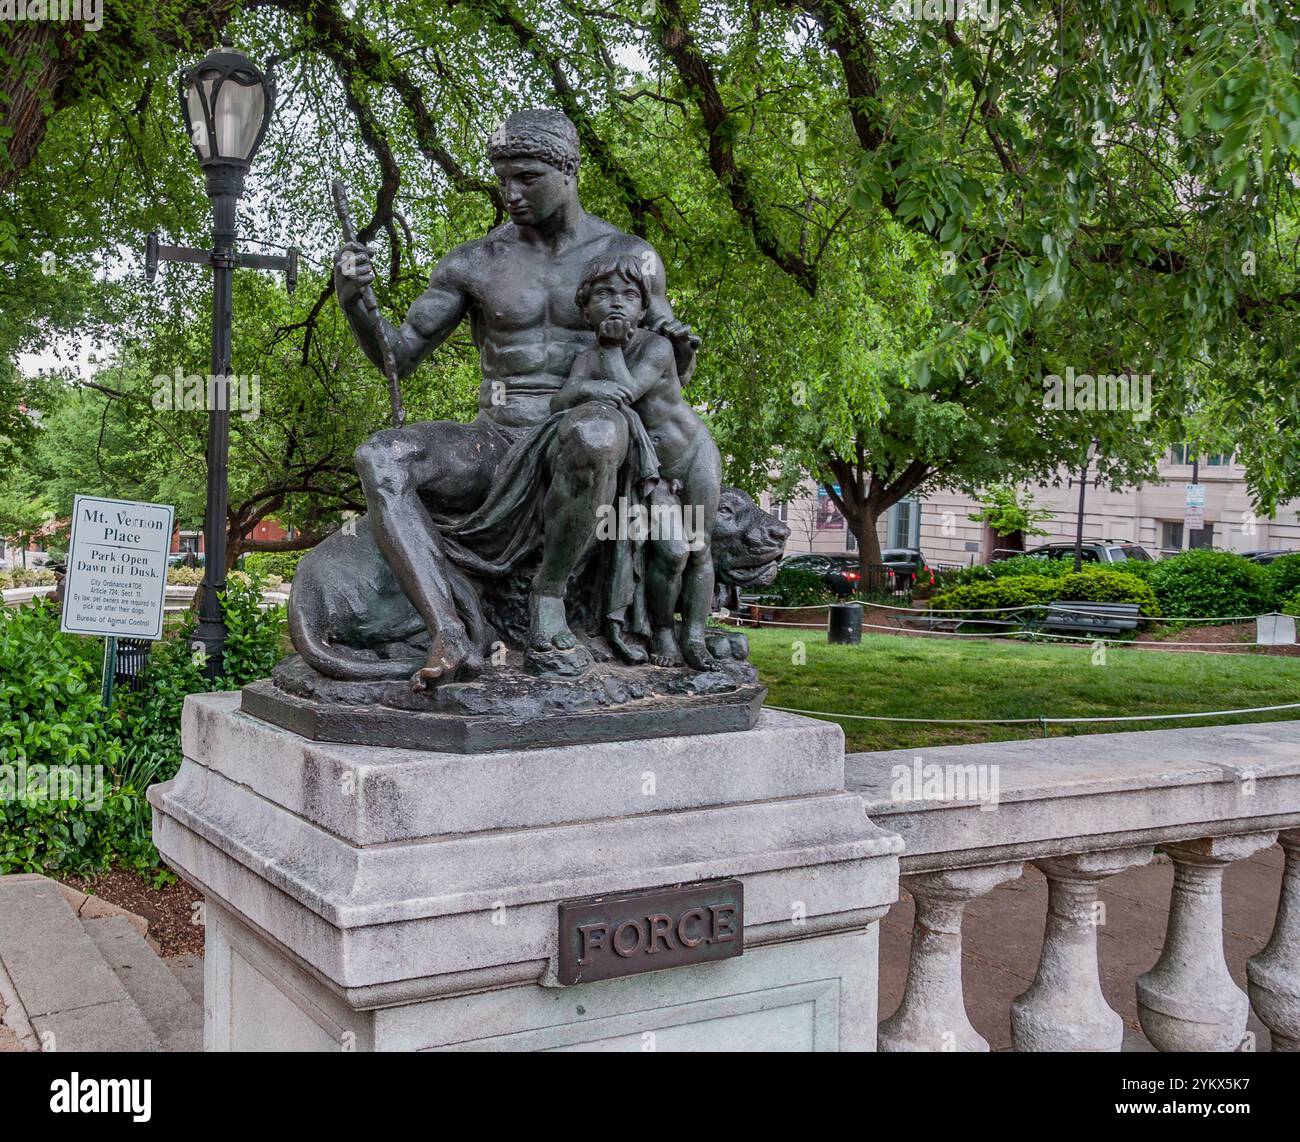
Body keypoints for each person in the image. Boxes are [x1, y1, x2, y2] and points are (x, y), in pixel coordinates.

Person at [333, 109, 696, 690]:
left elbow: (668, 357)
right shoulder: (474, 262)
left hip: (589, 425)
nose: (510, 194)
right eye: (502, 179)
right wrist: (353, 303)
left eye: (526, 178)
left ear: (569, 170)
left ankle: (547, 600)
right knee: (382, 455)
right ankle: (448, 630)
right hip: (499, 436)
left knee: (596, 432)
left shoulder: (631, 257)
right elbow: (398, 358)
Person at [553, 253, 722, 671]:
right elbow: (560, 400)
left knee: (699, 548)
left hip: (693, 454)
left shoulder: (657, 346)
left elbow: (627, 390)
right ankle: (663, 630)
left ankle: (695, 635)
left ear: (643, 310)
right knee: (672, 552)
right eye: (605, 294)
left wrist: (610, 348)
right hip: (655, 473)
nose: (617, 302)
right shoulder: (587, 359)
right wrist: (589, 384)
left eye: (629, 295)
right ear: (585, 308)